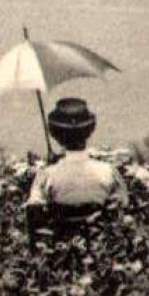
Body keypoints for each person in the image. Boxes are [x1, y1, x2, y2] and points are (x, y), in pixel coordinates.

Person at [26, 98, 129, 229]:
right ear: (90, 130)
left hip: (62, 245)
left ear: (55, 135)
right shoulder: (108, 172)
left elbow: (35, 212)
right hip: (101, 245)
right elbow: (122, 204)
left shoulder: (47, 176)